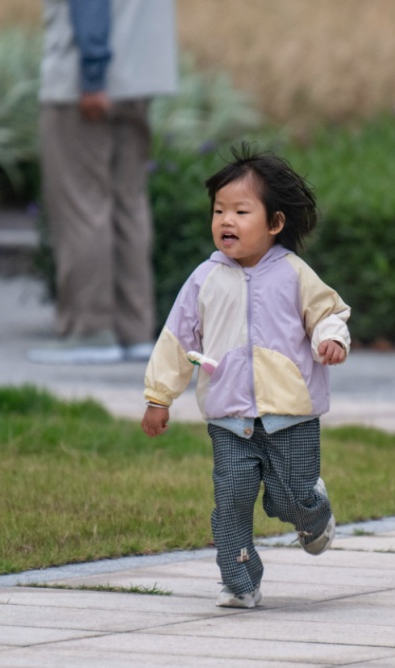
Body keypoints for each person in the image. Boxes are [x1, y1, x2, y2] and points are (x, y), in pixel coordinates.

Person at [140, 147, 351, 608]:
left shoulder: (293, 273)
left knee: (290, 496)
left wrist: (331, 339)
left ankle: (313, 512)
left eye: (240, 211)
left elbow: (328, 313)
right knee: (231, 500)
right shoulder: (204, 279)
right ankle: (240, 582)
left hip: (291, 415)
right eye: (219, 211)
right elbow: (177, 338)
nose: (226, 221)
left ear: (275, 222)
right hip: (229, 417)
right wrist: (159, 397)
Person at [29, 0, 177, 365]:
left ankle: (90, 329)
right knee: (129, 204)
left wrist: (92, 74)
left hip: (86, 86)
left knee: (82, 206)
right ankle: (134, 330)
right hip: (138, 79)